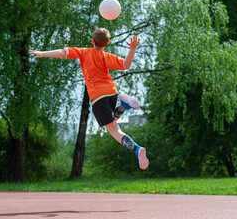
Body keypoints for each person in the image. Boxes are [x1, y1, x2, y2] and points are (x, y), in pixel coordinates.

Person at [29, 28, 149, 170]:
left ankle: (136, 149)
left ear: (93, 41)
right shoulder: (105, 56)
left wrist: (44, 53)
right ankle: (123, 105)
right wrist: (133, 48)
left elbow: (63, 52)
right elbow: (126, 65)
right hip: (112, 92)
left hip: (98, 97)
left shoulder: (84, 52)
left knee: (114, 130)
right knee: (112, 121)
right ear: (108, 43)